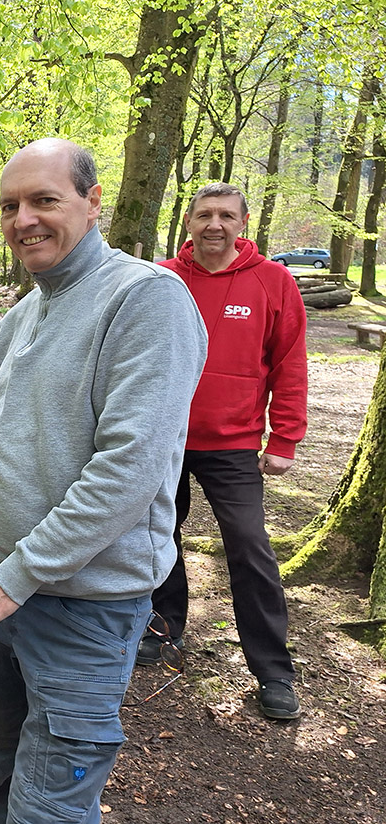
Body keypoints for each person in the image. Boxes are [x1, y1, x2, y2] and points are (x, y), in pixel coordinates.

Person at [0, 139, 207, 824]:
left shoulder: (146, 300)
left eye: (43, 200)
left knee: (48, 806)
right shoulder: (25, 312)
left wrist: (12, 578)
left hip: (82, 606)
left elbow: (128, 472)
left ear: (92, 203)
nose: (23, 219)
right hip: (0, 586)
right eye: (9, 206)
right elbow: (11, 440)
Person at [147, 182, 307, 720]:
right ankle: (163, 629)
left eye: (225, 216)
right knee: (158, 536)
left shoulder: (272, 281)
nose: (214, 224)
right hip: (163, 438)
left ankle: (273, 670)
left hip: (234, 443)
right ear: (188, 221)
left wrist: (284, 437)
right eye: (204, 215)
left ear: (243, 224)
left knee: (249, 548)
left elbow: (289, 362)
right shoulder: (164, 279)